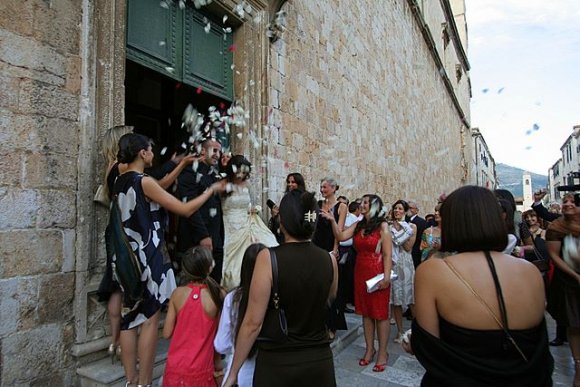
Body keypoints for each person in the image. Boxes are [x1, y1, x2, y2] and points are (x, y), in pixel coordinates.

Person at [404, 185, 553, 385]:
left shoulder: (433, 271)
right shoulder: (531, 273)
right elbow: (538, 347)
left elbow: (429, 347)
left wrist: (412, 343)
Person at [112, 133, 225, 386]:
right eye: (150, 149)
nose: (153, 153)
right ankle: (144, 382)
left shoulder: (120, 178)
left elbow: (158, 187)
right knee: (150, 320)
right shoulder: (144, 180)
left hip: (125, 257)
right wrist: (210, 191)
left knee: (129, 318)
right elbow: (183, 209)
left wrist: (182, 164)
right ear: (142, 153)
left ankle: (131, 381)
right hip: (148, 255)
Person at [96, 125, 195, 362]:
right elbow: (156, 186)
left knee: (119, 288)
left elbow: (156, 186)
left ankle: (116, 344)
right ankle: (127, 351)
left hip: (122, 235)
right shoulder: (125, 170)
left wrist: (178, 164)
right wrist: (178, 165)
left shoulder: (115, 171)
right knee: (138, 303)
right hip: (137, 237)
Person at [223, 190, 338, 387]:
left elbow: (252, 323)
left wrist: (233, 372)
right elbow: (327, 301)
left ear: (282, 222)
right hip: (319, 362)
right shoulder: (330, 260)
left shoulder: (268, 258)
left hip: (278, 363)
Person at [322, 194, 393, 373]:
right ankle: (370, 349)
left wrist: (386, 277)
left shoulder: (383, 225)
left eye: (366, 202)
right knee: (366, 313)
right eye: (362, 202)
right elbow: (341, 235)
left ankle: (383, 352)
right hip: (360, 270)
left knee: (380, 314)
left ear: (375, 205)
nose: (362, 204)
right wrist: (332, 220)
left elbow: (387, 254)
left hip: (377, 272)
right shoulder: (359, 224)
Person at [163, 246, 226, 387]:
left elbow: (166, 333)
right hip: (201, 370)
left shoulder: (177, 294)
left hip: (175, 369)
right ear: (210, 268)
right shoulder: (217, 295)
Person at [220, 155, 278, 290]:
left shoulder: (246, 185)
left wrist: (250, 209)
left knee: (267, 246)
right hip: (229, 225)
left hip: (247, 223)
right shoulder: (223, 185)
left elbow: (245, 203)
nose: (242, 175)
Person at [214, 243, 265, 387]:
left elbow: (221, 344)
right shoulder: (275, 299)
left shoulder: (233, 298)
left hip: (238, 373)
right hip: (267, 370)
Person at [176, 138, 225, 283]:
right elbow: (190, 205)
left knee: (214, 284)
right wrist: (203, 235)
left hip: (215, 239)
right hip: (196, 240)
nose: (217, 154)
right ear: (203, 151)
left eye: (219, 151)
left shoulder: (213, 174)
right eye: (214, 150)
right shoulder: (190, 172)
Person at [545, 193, 580, 386]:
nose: (567, 204)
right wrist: (576, 276)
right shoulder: (556, 227)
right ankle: (579, 370)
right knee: (575, 325)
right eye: (565, 201)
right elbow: (554, 255)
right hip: (569, 283)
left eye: (573, 202)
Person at [312, 177, 348, 339]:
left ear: (333, 188)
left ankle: (331, 324)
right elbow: (311, 226)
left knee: (331, 286)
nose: (322, 189)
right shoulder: (318, 205)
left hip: (330, 247)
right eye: (321, 187)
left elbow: (338, 231)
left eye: (324, 187)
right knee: (316, 285)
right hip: (316, 246)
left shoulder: (342, 207)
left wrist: (334, 250)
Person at [390, 200, 417, 342]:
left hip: (406, 264)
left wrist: (399, 232)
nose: (397, 211)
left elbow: (407, 247)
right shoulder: (388, 227)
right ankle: (400, 331)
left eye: (400, 209)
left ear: (405, 211)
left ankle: (418, 330)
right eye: (395, 208)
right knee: (396, 299)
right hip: (394, 264)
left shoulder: (412, 226)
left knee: (411, 297)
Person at [268, 172, 306, 243]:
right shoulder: (286, 198)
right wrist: (275, 215)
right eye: (288, 182)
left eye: (293, 182)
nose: (290, 184)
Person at [407, 200, 427, 268]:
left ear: (417, 210)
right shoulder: (404, 221)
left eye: (411, 208)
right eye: (407, 208)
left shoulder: (422, 222)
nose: (409, 210)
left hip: (415, 255)